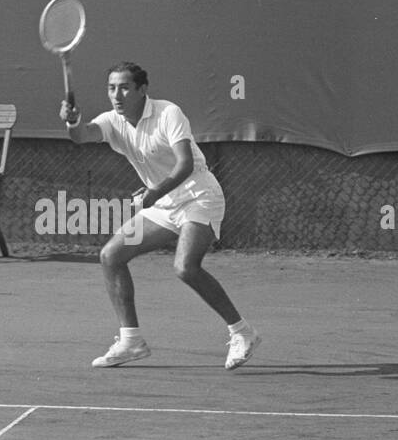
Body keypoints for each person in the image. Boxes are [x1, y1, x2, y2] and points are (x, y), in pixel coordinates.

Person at [60, 62, 261, 370]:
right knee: (111, 256)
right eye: (112, 88)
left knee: (185, 267)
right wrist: (73, 123)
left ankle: (242, 332)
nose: (117, 95)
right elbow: (82, 136)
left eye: (125, 87)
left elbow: (185, 165)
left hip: (198, 197)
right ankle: (131, 342)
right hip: (164, 206)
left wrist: (154, 193)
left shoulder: (168, 113)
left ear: (142, 90)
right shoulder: (113, 121)